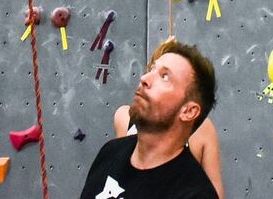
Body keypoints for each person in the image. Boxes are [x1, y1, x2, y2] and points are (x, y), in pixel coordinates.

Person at [80, 42, 218, 199]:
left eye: (165, 76)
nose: (144, 78)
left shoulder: (193, 194)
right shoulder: (111, 153)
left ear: (188, 111)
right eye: (152, 69)